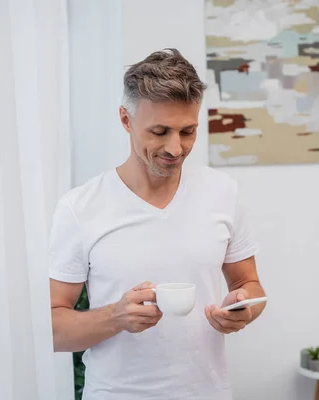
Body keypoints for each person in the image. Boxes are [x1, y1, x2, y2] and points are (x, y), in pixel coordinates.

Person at [48, 48, 266, 399]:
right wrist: (115, 317)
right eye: (160, 131)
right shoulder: (79, 208)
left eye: (188, 131)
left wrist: (243, 309)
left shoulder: (224, 193)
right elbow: (52, 331)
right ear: (125, 119)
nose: (176, 148)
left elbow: (250, 284)